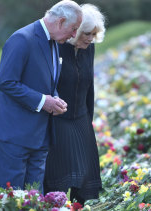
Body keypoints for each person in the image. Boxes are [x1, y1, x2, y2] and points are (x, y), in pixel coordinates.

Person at [0, 0, 83, 193]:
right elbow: (6, 82)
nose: (74, 35)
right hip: (14, 132)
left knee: (34, 198)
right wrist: (43, 101)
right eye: (73, 29)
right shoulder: (22, 38)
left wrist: (54, 99)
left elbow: (45, 80)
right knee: (11, 198)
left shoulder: (54, 41)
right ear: (61, 21)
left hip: (40, 135)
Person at [44, 4, 105, 206]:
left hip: (81, 119)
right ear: (75, 30)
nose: (90, 38)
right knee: (58, 178)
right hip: (57, 121)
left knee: (87, 181)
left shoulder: (89, 49)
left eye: (94, 34)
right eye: (87, 33)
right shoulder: (56, 46)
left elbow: (90, 87)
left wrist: (89, 121)